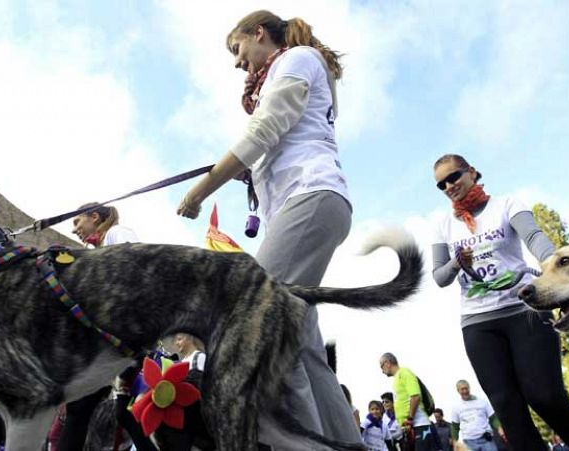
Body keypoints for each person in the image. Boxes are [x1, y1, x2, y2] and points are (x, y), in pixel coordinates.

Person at [177, 10, 358, 448]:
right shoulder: (290, 69)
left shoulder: (296, 59)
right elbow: (274, 136)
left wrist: (201, 191)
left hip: (309, 198)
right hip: (308, 205)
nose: (238, 63)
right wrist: (253, 171)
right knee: (305, 347)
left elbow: (266, 128)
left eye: (238, 49)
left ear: (259, 33)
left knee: (259, 319)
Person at [431, 154, 569, 451]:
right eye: (441, 184)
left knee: (544, 395)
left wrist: (557, 267)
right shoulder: (443, 225)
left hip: (524, 312)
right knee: (507, 407)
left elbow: (535, 238)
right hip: (478, 323)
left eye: (454, 176)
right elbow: (439, 277)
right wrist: (457, 263)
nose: (449, 185)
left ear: (471, 172)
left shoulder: (506, 205)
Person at [56, 203, 139, 451]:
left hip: (117, 339)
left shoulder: (117, 233)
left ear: (94, 217)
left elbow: (132, 269)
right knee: (82, 412)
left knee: (82, 411)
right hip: (106, 342)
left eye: (77, 222)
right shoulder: (99, 248)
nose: (75, 230)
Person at [379, 353, 437, 451]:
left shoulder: (404, 373)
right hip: (409, 429)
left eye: (381, 366)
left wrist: (410, 419)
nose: (382, 371)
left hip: (420, 426)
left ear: (387, 363)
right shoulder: (397, 378)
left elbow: (415, 396)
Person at [449, 380, 502, 451]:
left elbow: (493, 418)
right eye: (462, 389)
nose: (465, 391)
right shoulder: (456, 407)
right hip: (469, 442)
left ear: (469, 388)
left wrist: (500, 428)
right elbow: (455, 427)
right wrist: (455, 441)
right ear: (458, 390)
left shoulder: (482, 402)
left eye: (466, 388)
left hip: (486, 439)